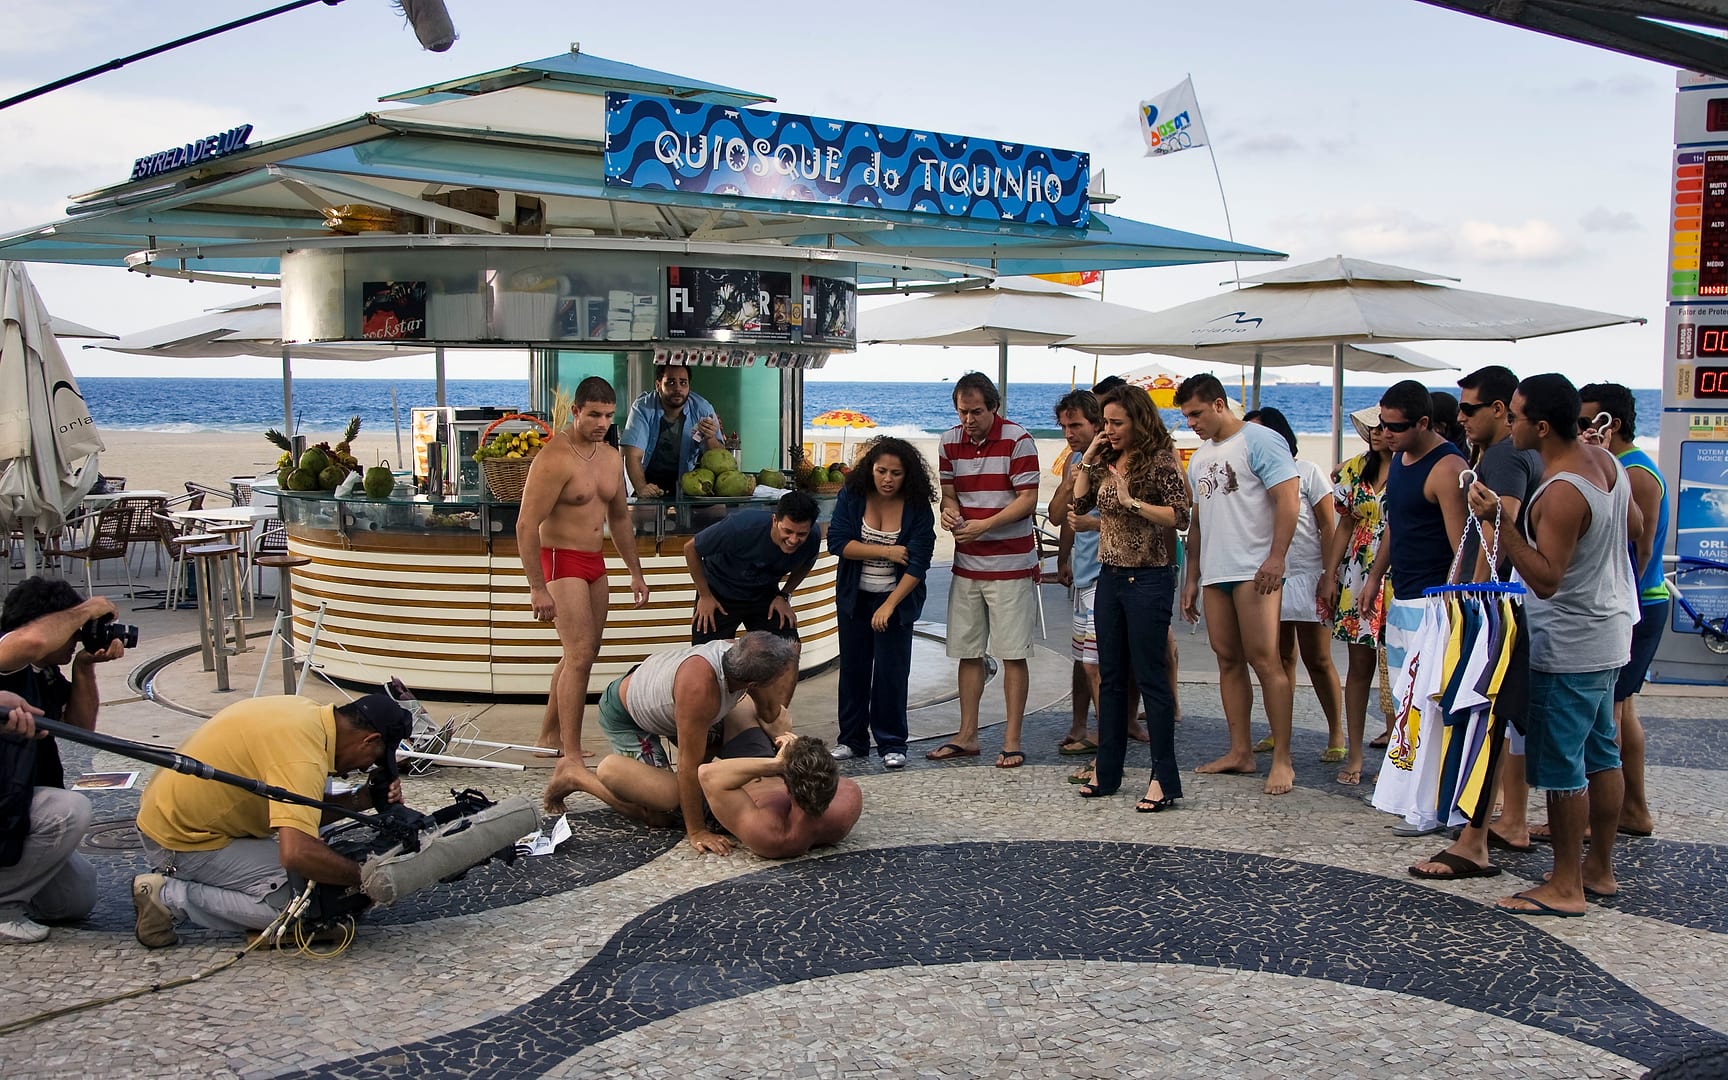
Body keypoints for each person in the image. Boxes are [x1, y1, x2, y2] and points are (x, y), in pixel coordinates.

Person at [1463, 373, 1639, 917]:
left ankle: (1566, 885)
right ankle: (1598, 871)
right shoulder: (1607, 463)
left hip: (1569, 642)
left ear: (1541, 426)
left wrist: (1500, 519)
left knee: (1564, 766)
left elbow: (1544, 578)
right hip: (1609, 630)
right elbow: (1632, 526)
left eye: (1514, 415)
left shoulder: (1562, 491)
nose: (1508, 422)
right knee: (1601, 752)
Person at [131, 692, 414, 947]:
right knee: (305, 903)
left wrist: (360, 799)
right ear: (370, 740)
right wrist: (366, 879)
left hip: (179, 815)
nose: (366, 767)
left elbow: (299, 807)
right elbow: (296, 854)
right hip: (181, 839)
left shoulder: (306, 716)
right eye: (373, 759)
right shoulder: (302, 757)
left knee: (321, 879)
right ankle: (166, 897)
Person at [1410, 364, 1545, 879]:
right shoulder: (1497, 453)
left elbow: (1497, 530)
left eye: (1468, 409)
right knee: (1506, 719)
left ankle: (1482, 834)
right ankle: (1506, 821)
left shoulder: (1507, 455)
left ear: (1498, 409)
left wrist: (1476, 595)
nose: (1459, 416)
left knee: (1488, 715)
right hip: (1512, 602)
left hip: (1497, 606)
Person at [519, 377, 652, 815]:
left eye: (609, 415)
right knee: (578, 654)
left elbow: (619, 518)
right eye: (594, 414)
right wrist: (536, 587)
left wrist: (635, 572)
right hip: (560, 560)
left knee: (584, 652)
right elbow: (525, 525)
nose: (602, 423)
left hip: (595, 563)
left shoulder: (611, 457)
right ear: (575, 412)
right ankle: (569, 756)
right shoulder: (554, 459)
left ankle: (547, 736)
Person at [1176, 374, 1301, 795]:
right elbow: (1196, 522)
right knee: (1226, 658)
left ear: (1217, 404)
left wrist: (1277, 556)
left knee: (1266, 660)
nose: (1191, 423)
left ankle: (1282, 757)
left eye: (1195, 413)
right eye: (1185, 416)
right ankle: (1240, 750)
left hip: (1254, 566)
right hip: (1216, 569)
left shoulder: (1259, 440)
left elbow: (1289, 497)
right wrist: (1190, 577)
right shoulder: (1198, 459)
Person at [1070, 385, 1191, 810]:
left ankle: (1164, 777)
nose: (1109, 429)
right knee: (1113, 675)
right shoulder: (1105, 459)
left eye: (1116, 423)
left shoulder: (1160, 459)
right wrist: (1088, 459)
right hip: (1111, 576)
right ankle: (1108, 769)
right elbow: (1078, 501)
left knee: (1151, 677)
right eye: (1105, 422)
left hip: (1150, 578)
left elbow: (1180, 516)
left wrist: (1130, 501)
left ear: (1138, 420)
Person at [1360, 380, 1469, 832]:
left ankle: (1433, 802)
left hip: (1434, 603)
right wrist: (1373, 576)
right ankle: (1406, 791)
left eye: (1396, 427)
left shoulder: (1447, 467)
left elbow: (1461, 543)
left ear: (1424, 423)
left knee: (1430, 700)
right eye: (1381, 425)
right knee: (1406, 698)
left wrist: (1449, 605)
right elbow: (1394, 526)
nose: (1385, 434)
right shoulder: (1401, 461)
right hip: (1402, 594)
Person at [589, 632, 799, 855]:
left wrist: (780, 737)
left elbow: (768, 712)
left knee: (745, 711)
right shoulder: (700, 691)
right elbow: (688, 767)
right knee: (664, 810)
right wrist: (698, 830)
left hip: (668, 701)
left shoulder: (743, 653)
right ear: (755, 683)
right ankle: (578, 777)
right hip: (626, 714)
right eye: (777, 680)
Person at [0, 579, 125, 945]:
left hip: (16, 806)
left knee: (75, 898)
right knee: (69, 810)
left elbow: (79, 731)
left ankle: (12, 892)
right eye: (71, 631)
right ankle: (3, 907)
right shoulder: (7, 653)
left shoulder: (46, 673)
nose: (75, 638)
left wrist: (85, 668)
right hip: (6, 806)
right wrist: (86, 610)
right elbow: (32, 640)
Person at [929, 372, 1040, 770]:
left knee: (1012, 653)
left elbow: (1027, 500)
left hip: (1011, 565)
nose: (969, 420)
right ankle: (967, 734)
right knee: (967, 650)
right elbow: (950, 493)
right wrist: (950, 513)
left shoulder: (1018, 439)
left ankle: (1012, 740)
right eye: (962, 412)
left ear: (994, 407)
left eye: (976, 411)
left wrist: (985, 525)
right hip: (968, 564)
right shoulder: (948, 441)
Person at [1579, 382, 1667, 840]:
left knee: (1609, 715)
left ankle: (1606, 816)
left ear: (1608, 423)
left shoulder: (1635, 473)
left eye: (1585, 421)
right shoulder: (1621, 467)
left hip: (1637, 605)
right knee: (1620, 710)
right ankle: (1631, 810)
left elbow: (1642, 549)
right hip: (1633, 603)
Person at [826, 437, 937, 769]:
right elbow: (838, 542)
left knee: (892, 672)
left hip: (897, 599)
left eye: (896, 473)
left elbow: (918, 563)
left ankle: (892, 742)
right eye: (881, 471)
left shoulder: (917, 506)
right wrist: (886, 551)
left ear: (908, 475)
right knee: (854, 670)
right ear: (870, 470)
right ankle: (851, 739)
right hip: (854, 598)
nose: (887, 479)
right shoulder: (853, 495)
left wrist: (889, 605)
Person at [1246, 408, 1345, 764]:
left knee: (1317, 657)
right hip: (1271, 575)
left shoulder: (1308, 472)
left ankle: (1336, 731)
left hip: (1309, 572)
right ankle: (1279, 728)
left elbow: (1328, 525)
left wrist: (1329, 574)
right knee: (1278, 656)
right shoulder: (1253, 477)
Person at [595, 728, 861, 859]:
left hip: (716, 795)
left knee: (611, 769)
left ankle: (575, 777)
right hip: (757, 772)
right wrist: (794, 756)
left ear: (787, 785)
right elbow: (818, 772)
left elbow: (707, 775)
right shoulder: (848, 797)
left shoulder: (775, 835)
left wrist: (778, 764)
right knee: (744, 706)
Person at [1318, 408, 1397, 785]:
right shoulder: (1353, 470)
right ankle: (1355, 753)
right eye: (1374, 427)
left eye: (1385, 427)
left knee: (1402, 668)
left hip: (1401, 571)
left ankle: (1402, 754)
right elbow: (1345, 522)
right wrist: (1329, 574)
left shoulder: (1412, 468)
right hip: (1358, 571)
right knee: (1360, 667)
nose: (1379, 433)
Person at [1048, 389, 1105, 758]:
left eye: (1076, 425)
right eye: (1064, 426)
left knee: (1096, 662)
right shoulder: (1075, 460)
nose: (1069, 433)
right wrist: (1063, 556)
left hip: (1107, 572)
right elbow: (1057, 515)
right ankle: (1082, 725)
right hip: (1083, 572)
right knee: (1083, 658)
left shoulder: (1112, 459)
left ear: (1096, 424)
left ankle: (1107, 737)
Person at [685, 491, 822, 644]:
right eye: (787, 531)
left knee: (790, 647)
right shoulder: (741, 526)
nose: (793, 540)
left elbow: (808, 562)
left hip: (764, 594)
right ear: (775, 520)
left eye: (801, 534)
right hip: (719, 591)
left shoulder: (813, 537)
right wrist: (705, 596)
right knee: (705, 655)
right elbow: (691, 549)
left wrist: (784, 595)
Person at [620, 363, 725, 498]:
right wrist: (641, 488)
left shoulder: (703, 409)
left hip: (688, 482)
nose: (678, 388)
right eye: (670, 382)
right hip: (647, 480)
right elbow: (633, 456)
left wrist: (710, 438)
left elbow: (720, 459)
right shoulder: (643, 408)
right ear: (658, 385)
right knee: (644, 514)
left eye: (683, 383)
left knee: (717, 511)